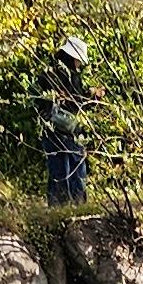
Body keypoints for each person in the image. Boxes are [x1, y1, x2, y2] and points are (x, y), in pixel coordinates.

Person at [39, 39, 90, 208]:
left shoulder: (48, 73)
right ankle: (78, 205)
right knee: (77, 168)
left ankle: (58, 208)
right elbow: (76, 101)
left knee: (58, 171)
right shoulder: (70, 75)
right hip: (68, 129)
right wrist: (92, 96)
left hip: (50, 128)